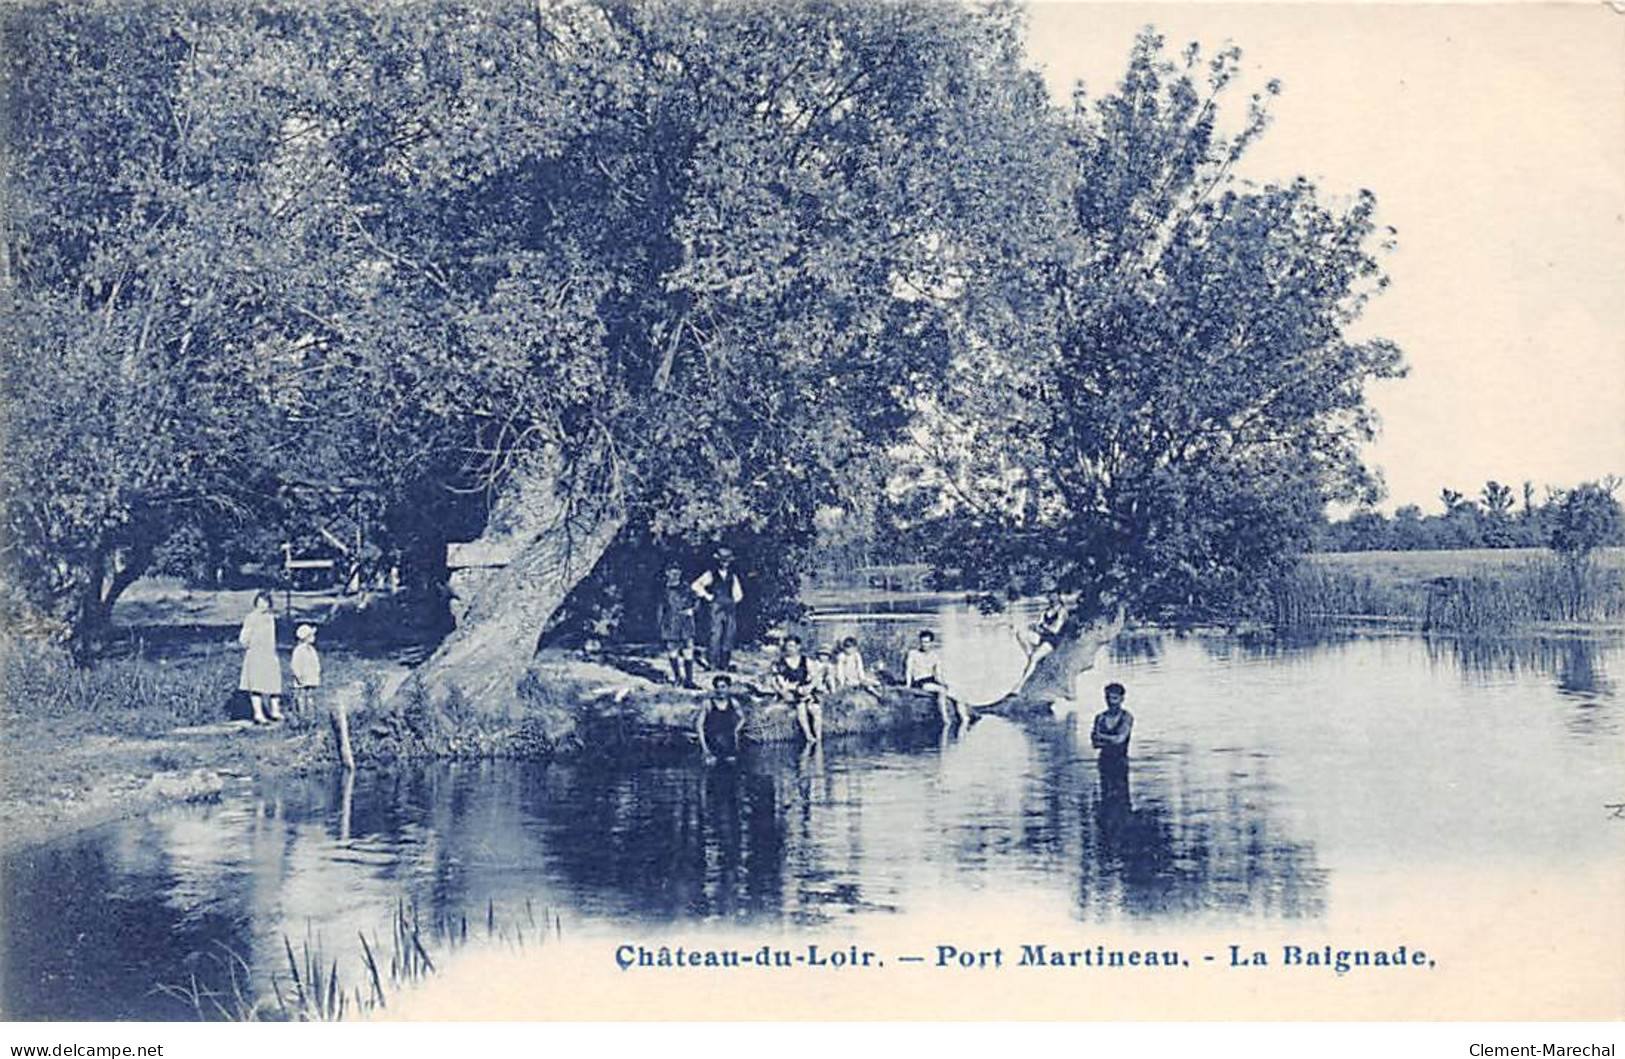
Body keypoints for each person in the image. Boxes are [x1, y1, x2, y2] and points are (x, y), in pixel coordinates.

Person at [691, 547, 744, 671]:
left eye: (727, 561)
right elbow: (695, 585)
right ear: (718, 561)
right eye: (722, 561)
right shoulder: (710, 574)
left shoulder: (732, 576)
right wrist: (707, 596)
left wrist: (733, 601)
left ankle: (724, 664)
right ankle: (712, 663)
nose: (725, 563)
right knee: (715, 633)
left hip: (730, 607)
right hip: (715, 607)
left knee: (729, 634)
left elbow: (738, 593)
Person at [905, 629, 970, 726]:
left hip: (932, 680)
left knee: (958, 694)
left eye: (927, 642)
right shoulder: (913, 654)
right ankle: (945, 719)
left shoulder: (935, 656)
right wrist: (908, 685)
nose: (924, 645)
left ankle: (965, 719)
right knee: (941, 691)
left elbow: (938, 674)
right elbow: (909, 670)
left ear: (931, 643)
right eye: (922, 642)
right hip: (920, 681)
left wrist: (943, 683)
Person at [237, 591, 284, 725]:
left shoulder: (270, 618)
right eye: (260, 602)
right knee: (256, 684)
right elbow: (244, 637)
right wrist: (249, 645)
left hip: (269, 654)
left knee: (273, 683)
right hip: (256, 655)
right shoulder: (251, 617)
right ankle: (258, 714)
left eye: (265, 602)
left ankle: (275, 710)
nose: (262, 605)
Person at [774, 635, 823, 743]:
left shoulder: (806, 660)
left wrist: (809, 687)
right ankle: (808, 736)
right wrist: (795, 688)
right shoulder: (781, 663)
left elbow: (816, 676)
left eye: (792, 646)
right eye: (788, 646)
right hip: (792, 691)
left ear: (798, 647)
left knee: (815, 709)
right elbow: (781, 682)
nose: (789, 649)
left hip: (806, 689)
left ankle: (818, 737)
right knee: (801, 708)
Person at [655, 565, 697, 687]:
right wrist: (661, 626)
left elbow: (696, 601)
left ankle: (689, 681)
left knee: (688, 650)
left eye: (677, 572)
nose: (675, 575)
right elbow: (660, 609)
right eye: (672, 572)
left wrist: (692, 610)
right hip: (671, 623)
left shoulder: (686, 587)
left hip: (686, 623)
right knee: (673, 651)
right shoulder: (663, 590)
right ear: (667, 573)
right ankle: (678, 678)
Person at [1015, 591, 1068, 686]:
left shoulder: (1062, 611)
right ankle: (1031, 657)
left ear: (1058, 597)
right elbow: (1040, 623)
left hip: (1054, 640)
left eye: (1054, 595)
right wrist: (1034, 626)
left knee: (1034, 658)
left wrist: (1043, 627)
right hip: (1044, 636)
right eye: (1050, 595)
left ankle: (1021, 684)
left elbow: (1055, 630)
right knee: (1021, 634)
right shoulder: (1045, 611)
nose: (1051, 598)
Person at [697, 674, 746, 762]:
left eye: (723, 687)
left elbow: (742, 718)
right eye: (717, 687)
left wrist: (736, 730)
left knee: (731, 768)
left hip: (729, 743)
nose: (720, 690)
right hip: (712, 743)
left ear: (728, 688)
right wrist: (705, 749)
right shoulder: (708, 703)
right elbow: (699, 726)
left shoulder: (733, 703)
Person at [1090, 682, 1134, 762]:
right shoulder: (1100, 717)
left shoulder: (1126, 717)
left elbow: (1120, 739)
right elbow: (1095, 744)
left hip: (1120, 762)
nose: (1110, 702)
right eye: (1108, 698)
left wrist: (1101, 737)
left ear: (1122, 699)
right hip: (1103, 761)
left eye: (1114, 698)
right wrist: (1111, 739)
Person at [290, 623, 322, 716]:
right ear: (306, 637)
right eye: (311, 635)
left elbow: (316, 662)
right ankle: (302, 714)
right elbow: (295, 664)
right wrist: (298, 675)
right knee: (300, 695)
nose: (314, 637)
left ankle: (311, 714)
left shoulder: (312, 650)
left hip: (311, 677)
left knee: (310, 696)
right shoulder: (298, 650)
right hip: (302, 677)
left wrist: (317, 671)